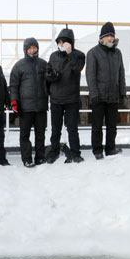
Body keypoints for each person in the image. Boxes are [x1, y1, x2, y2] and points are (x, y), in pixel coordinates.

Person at [86, 22, 126, 160]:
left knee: (112, 126)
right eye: (107, 36)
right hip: (99, 96)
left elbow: (121, 74)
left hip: (113, 96)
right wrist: (94, 93)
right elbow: (90, 75)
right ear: (102, 37)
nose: (110, 38)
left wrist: (122, 92)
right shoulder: (93, 53)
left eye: (112, 36)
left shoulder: (118, 53)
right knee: (97, 126)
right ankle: (97, 150)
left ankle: (110, 149)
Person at [45, 27, 86, 164]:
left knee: (72, 129)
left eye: (64, 42)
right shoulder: (53, 56)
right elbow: (47, 73)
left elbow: (77, 68)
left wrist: (70, 53)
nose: (61, 45)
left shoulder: (79, 55)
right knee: (55, 129)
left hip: (71, 99)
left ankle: (76, 153)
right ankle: (54, 152)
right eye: (60, 42)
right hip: (56, 99)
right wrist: (51, 76)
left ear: (70, 43)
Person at [10, 37, 49, 167]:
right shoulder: (19, 66)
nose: (32, 50)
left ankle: (40, 157)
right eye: (30, 48)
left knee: (40, 134)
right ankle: (26, 159)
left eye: (35, 47)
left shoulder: (43, 64)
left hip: (41, 106)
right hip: (25, 108)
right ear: (25, 49)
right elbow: (13, 86)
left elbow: (50, 82)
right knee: (25, 134)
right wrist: (14, 101)